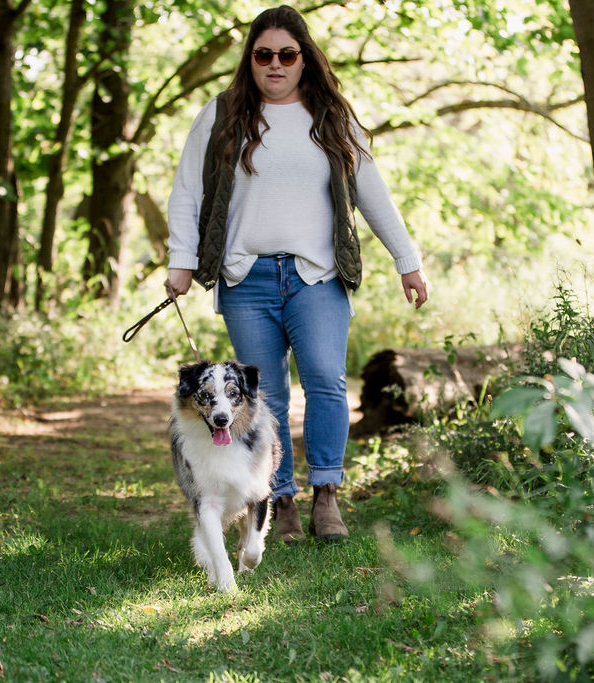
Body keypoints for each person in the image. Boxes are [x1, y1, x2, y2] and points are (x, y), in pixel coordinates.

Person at [165, 5, 428, 543]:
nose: (276, 64)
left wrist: (409, 262)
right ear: (251, 60)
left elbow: (372, 193)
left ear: (304, 58)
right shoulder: (220, 116)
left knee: (327, 383)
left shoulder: (332, 118)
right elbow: (188, 191)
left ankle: (326, 496)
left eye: (287, 54)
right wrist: (181, 260)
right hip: (246, 278)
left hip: (317, 276)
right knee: (267, 399)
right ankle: (278, 499)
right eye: (264, 55)